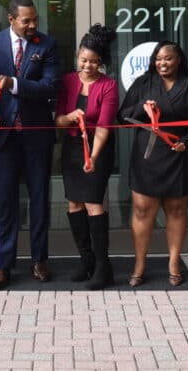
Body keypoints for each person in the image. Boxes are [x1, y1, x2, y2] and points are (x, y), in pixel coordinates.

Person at [0, 0, 60, 290]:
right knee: (5, 201)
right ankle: (3, 265)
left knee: (39, 198)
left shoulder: (46, 45)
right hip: (5, 135)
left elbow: (50, 87)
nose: (33, 25)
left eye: (35, 19)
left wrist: (13, 84)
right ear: (11, 19)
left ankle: (39, 259)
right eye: (27, 20)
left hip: (37, 134)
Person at [118, 40, 188, 287]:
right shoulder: (143, 84)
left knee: (177, 210)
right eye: (158, 58)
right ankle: (139, 264)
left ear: (179, 60)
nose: (162, 63)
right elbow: (122, 115)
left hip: (179, 153)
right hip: (147, 157)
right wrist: (142, 107)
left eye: (168, 58)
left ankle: (173, 262)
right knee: (141, 210)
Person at [54, 24, 118, 290]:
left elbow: (103, 126)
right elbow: (57, 120)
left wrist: (92, 157)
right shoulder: (67, 81)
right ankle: (86, 259)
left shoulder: (108, 86)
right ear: (78, 56)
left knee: (93, 203)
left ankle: (103, 265)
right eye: (83, 60)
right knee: (74, 204)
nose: (87, 66)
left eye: (93, 61)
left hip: (97, 149)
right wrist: (69, 117)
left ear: (100, 61)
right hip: (71, 149)